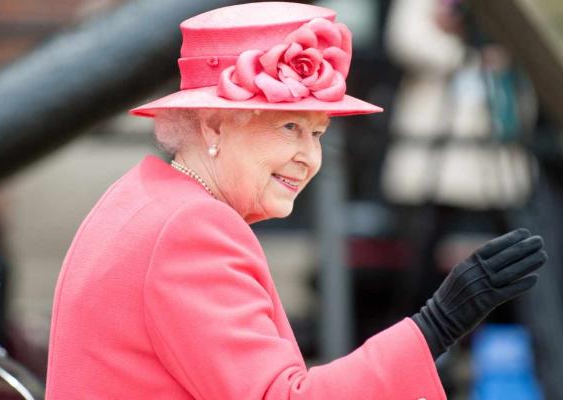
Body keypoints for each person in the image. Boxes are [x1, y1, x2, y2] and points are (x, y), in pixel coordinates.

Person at [45, 3, 547, 399]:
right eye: (290, 128)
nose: (310, 157)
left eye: (318, 133)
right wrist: (436, 325)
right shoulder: (191, 228)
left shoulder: (145, 197)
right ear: (215, 124)